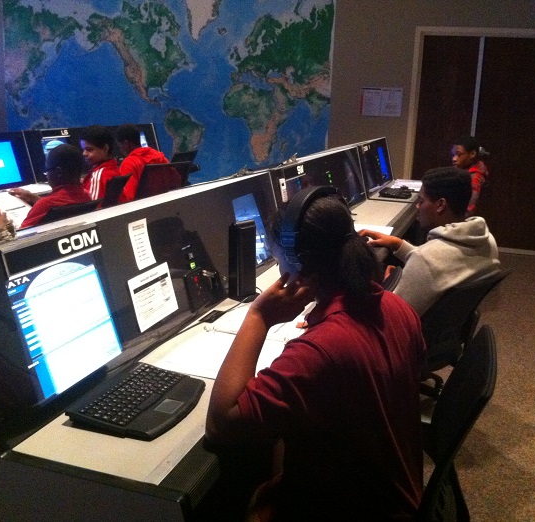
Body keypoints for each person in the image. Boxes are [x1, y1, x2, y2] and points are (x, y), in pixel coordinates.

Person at [206, 187, 426, 520]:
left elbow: (222, 423)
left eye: (279, 260)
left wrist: (259, 316)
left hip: (357, 508)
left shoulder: (320, 351)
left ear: (297, 265)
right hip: (396, 492)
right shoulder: (398, 307)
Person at [359, 167, 500, 316]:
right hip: (448, 323)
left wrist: (388, 284)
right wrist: (398, 243)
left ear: (440, 205)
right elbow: (445, 263)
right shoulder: (487, 242)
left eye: (421, 201)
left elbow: (391, 316)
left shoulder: (425, 259)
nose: (417, 206)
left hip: (412, 327)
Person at [4, 144, 92, 229]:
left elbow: (22, 235)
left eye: (47, 171)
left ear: (58, 172)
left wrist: (2, 224)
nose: (46, 175)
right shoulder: (86, 195)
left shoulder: (45, 205)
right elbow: (61, 204)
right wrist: (34, 198)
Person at [115, 123, 169, 202]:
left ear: (126, 144)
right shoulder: (159, 155)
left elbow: (128, 199)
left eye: (120, 147)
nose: (121, 151)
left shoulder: (128, 164)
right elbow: (177, 181)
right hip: (167, 203)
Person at [79, 125, 121, 200]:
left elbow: (93, 206)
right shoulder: (113, 168)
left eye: (89, 149)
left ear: (105, 149)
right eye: (83, 150)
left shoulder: (98, 177)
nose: (84, 153)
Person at [451, 135, 489, 215]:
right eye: (453, 155)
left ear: (472, 154)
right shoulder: (468, 172)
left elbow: (470, 210)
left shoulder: (474, 177)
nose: (454, 159)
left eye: (459, 154)